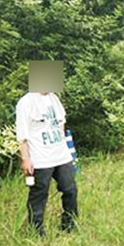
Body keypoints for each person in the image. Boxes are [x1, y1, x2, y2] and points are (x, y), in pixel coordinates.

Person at [16, 88, 78, 235]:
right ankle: (36, 230)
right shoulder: (26, 102)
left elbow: (61, 121)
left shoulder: (54, 98)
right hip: (40, 158)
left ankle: (69, 224)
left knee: (70, 189)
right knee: (39, 194)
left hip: (61, 155)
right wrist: (25, 158)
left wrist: (63, 145)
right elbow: (22, 135)